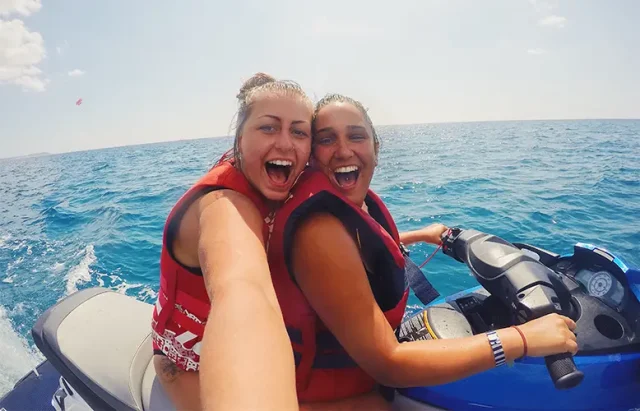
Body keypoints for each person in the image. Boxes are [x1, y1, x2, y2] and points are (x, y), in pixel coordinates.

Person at [267, 94, 578, 408]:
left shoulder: (352, 205)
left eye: (356, 136)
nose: (344, 150)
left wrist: (421, 235)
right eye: (327, 139)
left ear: (375, 148)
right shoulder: (319, 232)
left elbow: (363, 246)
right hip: (333, 399)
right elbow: (388, 365)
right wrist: (522, 340)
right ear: (310, 156)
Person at [151, 73, 313, 410]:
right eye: (268, 127)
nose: (285, 143)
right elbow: (242, 291)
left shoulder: (267, 180)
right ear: (239, 138)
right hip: (189, 370)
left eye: (299, 131)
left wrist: (416, 236)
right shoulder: (224, 206)